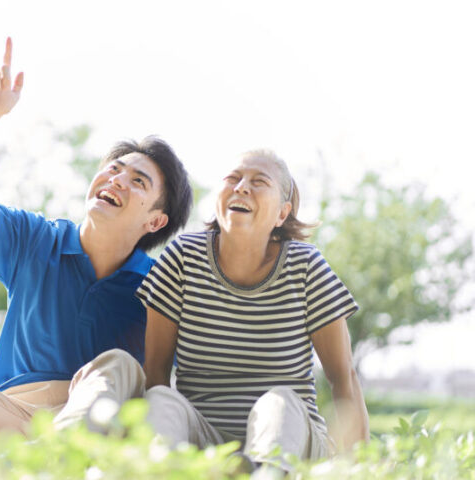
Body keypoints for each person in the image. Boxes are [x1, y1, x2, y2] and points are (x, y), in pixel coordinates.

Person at [0, 38, 193, 435]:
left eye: (137, 181)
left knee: (120, 364)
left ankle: (52, 459)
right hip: (8, 417)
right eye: (113, 169)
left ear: (155, 222)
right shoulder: (34, 239)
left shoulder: (160, 286)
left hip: (93, 429)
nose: (116, 180)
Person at [133, 149, 369, 471]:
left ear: (281, 214)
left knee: (279, 403)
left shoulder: (306, 268)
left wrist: (361, 470)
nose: (242, 187)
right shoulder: (182, 259)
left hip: (293, 441)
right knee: (160, 400)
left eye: (259, 182)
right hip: (206, 441)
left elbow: (344, 378)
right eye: (233, 178)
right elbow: (156, 373)